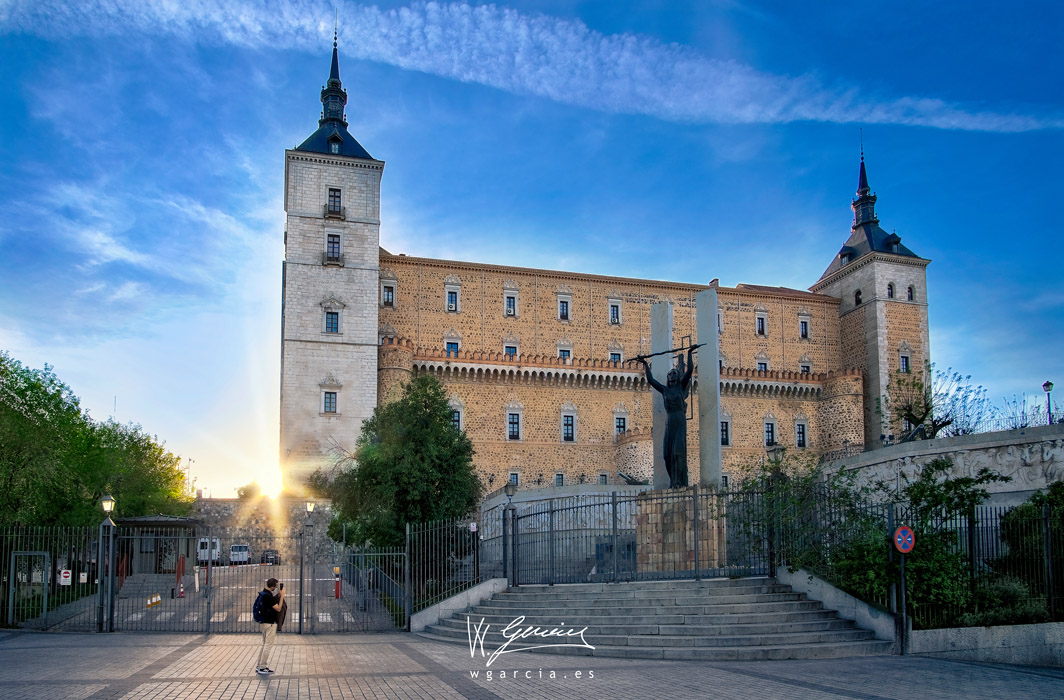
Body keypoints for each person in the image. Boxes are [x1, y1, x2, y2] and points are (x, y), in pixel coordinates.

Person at [638, 344, 702, 489]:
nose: (672, 375)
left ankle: (679, 482)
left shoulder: (681, 387)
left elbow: (690, 370)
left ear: (678, 377)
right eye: (670, 374)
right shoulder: (664, 390)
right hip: (669, 423)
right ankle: (673, 481)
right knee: (667, 455)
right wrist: (645, 365)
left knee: (677, 453)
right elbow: (651, 380)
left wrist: (690, 353)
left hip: (679, 422)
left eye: (674, 373)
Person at [254, 577, 284, 675]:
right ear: (272, 586)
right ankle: (262, 667)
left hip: (264, 623)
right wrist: (282, 596)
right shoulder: (268, 597)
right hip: (270, 623)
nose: (276, 588)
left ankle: (259, 665)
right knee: (268, 645)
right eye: (275, 587)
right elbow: (278, 608)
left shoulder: (264, 594)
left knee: (264, 644)